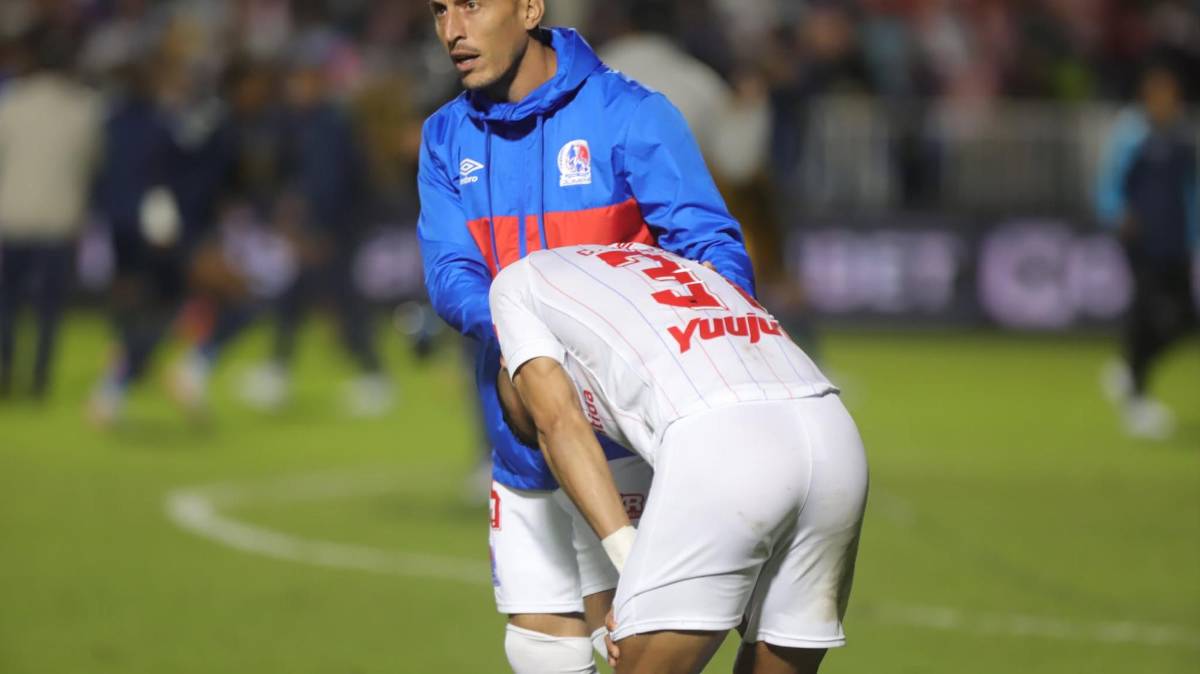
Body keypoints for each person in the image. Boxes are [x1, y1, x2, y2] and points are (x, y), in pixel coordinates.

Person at [418, 1, 755, 671]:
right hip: (522, 440)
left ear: (529, 8)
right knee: (540, 649)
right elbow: (452, 271)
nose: (453, 30)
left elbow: (714, 254)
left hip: (627, 443)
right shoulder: (446, 136)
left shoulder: (630, 114)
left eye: (473, 4)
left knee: (635, 654)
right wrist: (530, 334)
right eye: (439, 8)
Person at [491, 243, 867, 674]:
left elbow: (558, 423)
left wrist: (633, 573)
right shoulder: (673, 268)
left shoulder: (515, 282)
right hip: (834, 433)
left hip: (722, 434)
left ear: (508, 364)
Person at [1097, 61, 1198, 440]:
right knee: (1146, 316)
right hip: (1141, 245)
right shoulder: (1132, 134)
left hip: (1177, 244)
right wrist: (1116, 212)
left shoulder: (1183, 138)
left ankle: (1128, 370)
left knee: (1184, 320)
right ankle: (1137, 399)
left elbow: (1190, 190)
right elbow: (1109, 183)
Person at [0, 26, 102, 400]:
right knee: (49, 305)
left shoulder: (12, 103)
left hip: (12, 216)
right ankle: (40, 378)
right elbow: (93, 162)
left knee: (7, 300)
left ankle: (5, 369)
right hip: (59, 219)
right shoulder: (83, 109)